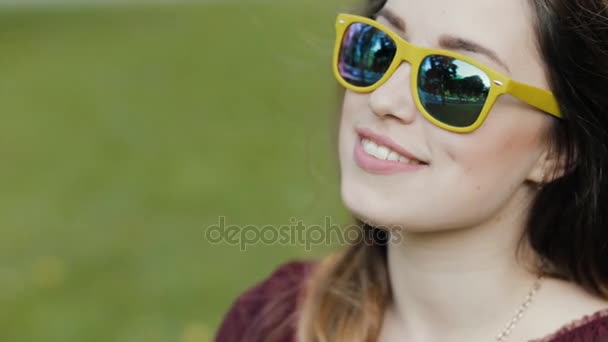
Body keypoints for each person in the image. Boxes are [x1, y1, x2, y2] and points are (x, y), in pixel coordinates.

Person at [215, 0, 608, 340]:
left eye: (454, 81)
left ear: (559, 150)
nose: (385, 99)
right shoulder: (270, 322)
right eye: (379, 47)